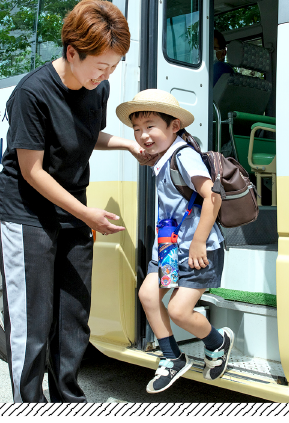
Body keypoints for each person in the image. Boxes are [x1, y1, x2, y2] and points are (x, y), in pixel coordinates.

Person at [0, 0, 156, 404]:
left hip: (72, 210)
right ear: (71, 52)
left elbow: (87, 134)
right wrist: (88, 215)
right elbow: (32, 171)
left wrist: (125, 144)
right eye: (101, 66)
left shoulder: (94, 89)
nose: (107, 75)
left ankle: (68, 400)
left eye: (113, 67)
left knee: (73, 318)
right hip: (26, 212)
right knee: (32, 321)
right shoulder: (32, 94)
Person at [116, 89, 235, 394]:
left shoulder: (184, 156)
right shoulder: (164, 156)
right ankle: (172, 358)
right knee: (148, 295)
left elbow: (213, 197)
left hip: (199, 250)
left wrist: (197, 242)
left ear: (175, 126)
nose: (143, 136)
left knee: (180, 311)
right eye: (137, 129)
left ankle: (217, 343)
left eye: (150, 126)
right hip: (169, 247)